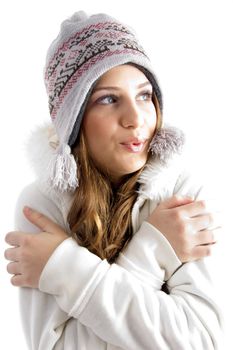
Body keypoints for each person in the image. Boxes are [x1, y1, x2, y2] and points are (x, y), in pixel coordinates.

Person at [4, 10, 224, 350]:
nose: (136, 119)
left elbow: (201, 342)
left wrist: (65, 267)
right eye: (109, 99)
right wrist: (153, 254)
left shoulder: (181, 194)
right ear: (75, 120)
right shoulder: (42, 204)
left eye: (144, 95)